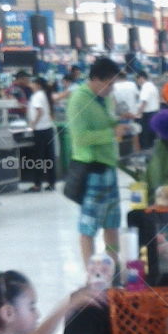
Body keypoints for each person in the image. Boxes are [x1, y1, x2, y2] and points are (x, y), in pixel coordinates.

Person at [66, 55, 124, 270]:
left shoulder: (105, 98)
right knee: (88, 226)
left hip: (109, 167)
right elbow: (80, 138)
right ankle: (92, 274)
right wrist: (110, 133)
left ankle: (113, 268)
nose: (111, 89)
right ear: (96, 79)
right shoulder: (79, 100)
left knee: (112, 222)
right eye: (109, 83)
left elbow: (109, 120)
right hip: (91, 171)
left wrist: (120, 123)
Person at [25, 76, 56, 191]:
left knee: (38, 159)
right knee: (49, 158)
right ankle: (51, 183)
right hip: (48, 129)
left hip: (40, 130)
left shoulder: (37, 96)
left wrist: (32, 124)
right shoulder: (45, 94)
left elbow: (40, 111)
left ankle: (37, 184)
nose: (30, 85)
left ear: (37, 85)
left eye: (32, 83)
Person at [136, 70, 160, 148]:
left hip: (147, 115)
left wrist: (138, 113)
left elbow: (144, 102)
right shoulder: (152, 86)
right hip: (155, 113)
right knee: (152, 135)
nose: (137, 82)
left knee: (145, 136)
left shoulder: (145, 87)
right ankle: (151, 152)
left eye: (137, 79)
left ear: (141, 78)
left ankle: (145, 152)